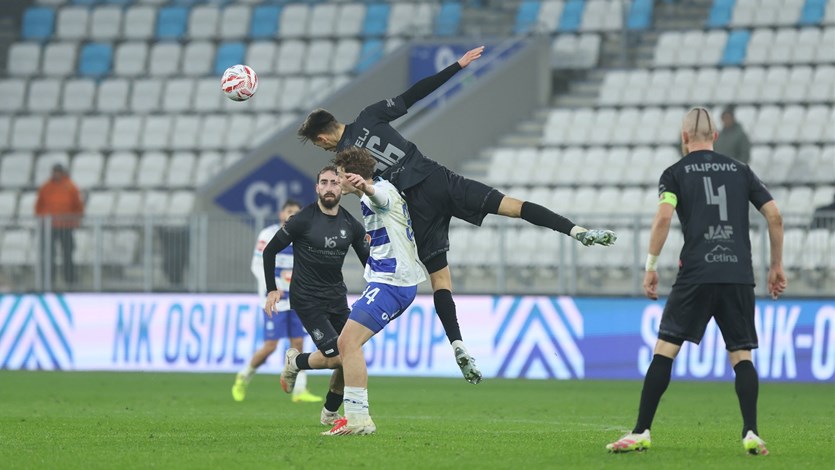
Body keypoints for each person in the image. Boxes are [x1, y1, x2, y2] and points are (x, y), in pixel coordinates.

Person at [296, 46, 616, 384]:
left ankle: (458, 344)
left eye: (318, 145)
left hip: (413, 207)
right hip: (438, 180)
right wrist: (457, 66)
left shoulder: (346, 161)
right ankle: (576, 230)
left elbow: (363, 192)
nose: (323, 149)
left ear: (322, 137)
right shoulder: (370, 115)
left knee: (440, 282)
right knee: (512, 206)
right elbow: (415, 94)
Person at [606, 107, 787, 455]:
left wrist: (651, 266)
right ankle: (751, 431)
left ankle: (641, 431)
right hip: (737, 274)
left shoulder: (674, 173)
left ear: (684, 137)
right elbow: (774, 215)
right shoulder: (741, 171)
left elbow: (663, 218)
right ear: (715, 137)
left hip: (697, 273)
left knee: (665, 349)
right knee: (742, 355)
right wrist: (776, 266)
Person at [277, 147, 427, 436]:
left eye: (340, 176)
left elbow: (380, 197)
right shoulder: (377, 193)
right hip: (392, 282)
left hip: (392, 283)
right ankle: (336, 411)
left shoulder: (377, 193)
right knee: (348, 347)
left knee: (346, 346)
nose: (336, 181)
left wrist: (366, 188)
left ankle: (357, 418)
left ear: (352, 176)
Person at [262, 166, 369, 427]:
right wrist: (272, 289)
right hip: (307, 298)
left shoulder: (351, 225)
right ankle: (296, 361)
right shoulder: (301, 220)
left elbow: (369, 263)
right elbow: (269, 251)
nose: (329, 187)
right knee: (340, 355)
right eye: (324, 182)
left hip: (337, 298)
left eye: (334, 182)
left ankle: (330, 412)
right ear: (317, 187)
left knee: (351, 353)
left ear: (342, 188)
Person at [232, 199, 321, 403]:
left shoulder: (303, 235)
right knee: (270, 346)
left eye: (296, 212)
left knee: (298, 343)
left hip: (297, 300)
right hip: (275, 301)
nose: (292, 214)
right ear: (281, 214)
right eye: (289, 211)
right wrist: (271, 287)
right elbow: (257, 264)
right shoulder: (268, 234)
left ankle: (300, 390)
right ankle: (244, 376)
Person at [35, 164, 84, 286]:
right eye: (55, 172)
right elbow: (39, 206)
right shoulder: (46, 187)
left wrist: (75, 221)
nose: (56, 174)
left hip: (66, 226)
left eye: (58, 172)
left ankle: (70, 280)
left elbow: (78, 206)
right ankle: (48, 280)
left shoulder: (70, 187)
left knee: (67, 254)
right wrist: (42, 221)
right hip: (49, 227)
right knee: (48, 255)